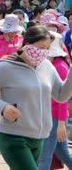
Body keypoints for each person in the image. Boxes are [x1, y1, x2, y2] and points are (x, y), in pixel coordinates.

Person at [0, 25, 72, 170]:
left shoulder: (46, 66)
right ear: (27, 44)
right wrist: (2, 107)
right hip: (13, 137)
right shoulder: (6, 67)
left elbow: (60, 95)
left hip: (39, 138)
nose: (44, 52)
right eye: (41, 47)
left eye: (47, 48)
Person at [37, 32, 72, 170]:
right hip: (49, 117)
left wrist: (61, 125)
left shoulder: (60, 67)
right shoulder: (49, 64)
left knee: (44, 158)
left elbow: (63, 99)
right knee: (63, 155)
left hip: (56, 119)